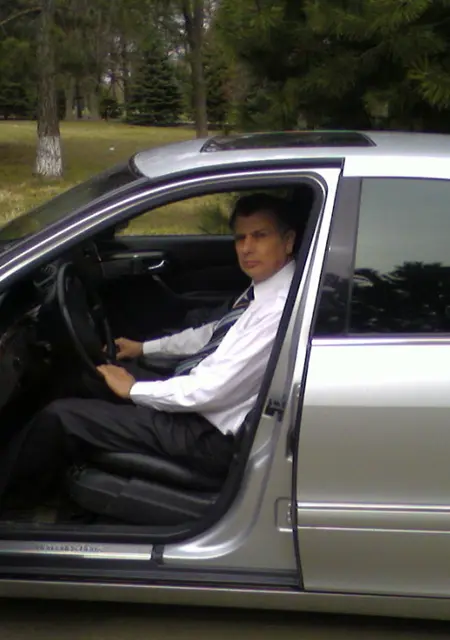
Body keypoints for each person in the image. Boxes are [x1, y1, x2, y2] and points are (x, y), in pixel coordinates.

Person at [0, 193, 297, 508]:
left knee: (60, 418)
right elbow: (211, 335)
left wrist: (134, 390)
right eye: (240, 238)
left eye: (260, 236)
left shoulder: (279, 309)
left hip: (206, 434)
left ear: (289, 241)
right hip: (198, 405)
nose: (247, 247)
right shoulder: (264, 290)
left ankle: (13, 506)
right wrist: (143, 349)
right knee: (87, 377)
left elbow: (210, 391)